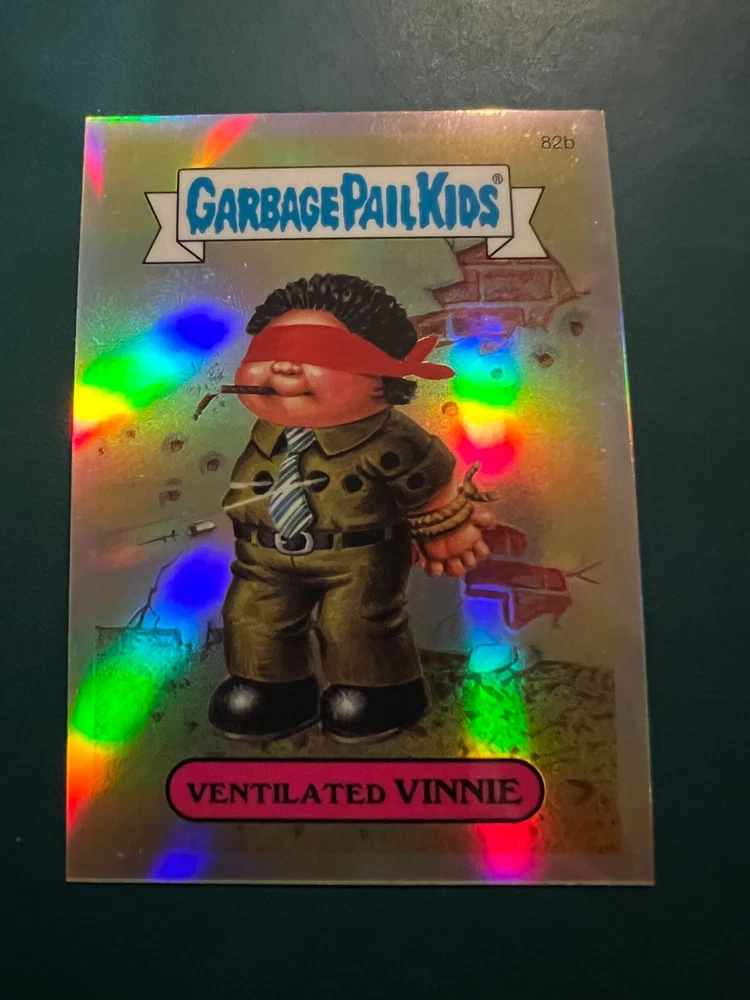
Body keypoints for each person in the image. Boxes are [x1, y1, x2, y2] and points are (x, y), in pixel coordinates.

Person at [208, 273, 495, 743]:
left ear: (382, 379)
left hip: (358, 558)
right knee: (251, 617)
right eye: (267, 349)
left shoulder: (388, 438)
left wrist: (445, 528)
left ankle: (379, 692)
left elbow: (427, 483)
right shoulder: (268, 433)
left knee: (354, 622)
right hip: (263, 560)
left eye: (319, 353)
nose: (283, 366)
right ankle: (271, 688)